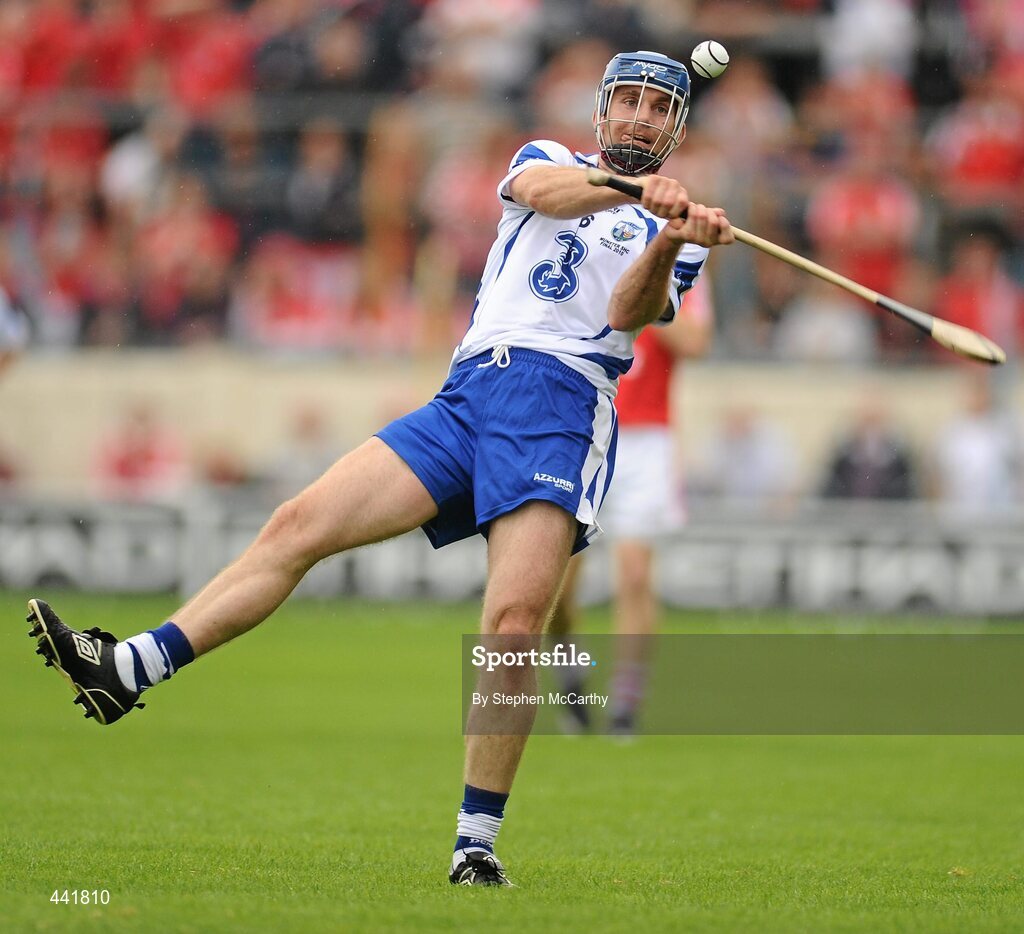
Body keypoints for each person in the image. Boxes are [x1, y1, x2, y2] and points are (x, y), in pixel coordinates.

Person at [25, 50, 733, 887]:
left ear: (675, 128)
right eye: (631, 102)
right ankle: (128, 668)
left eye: (660, 109)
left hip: (564, 407)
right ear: (603, 110)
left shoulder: (676, 233)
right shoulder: (545, 160)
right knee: (298, 525)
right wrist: (629, 192)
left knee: (510, 626)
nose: (642, 119)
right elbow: (544, 198)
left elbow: (629, 312)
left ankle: (476, 844)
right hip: (472, 391)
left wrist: (672, 237)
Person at [547, 276, 714, 735]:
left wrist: (646, 291)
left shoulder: (683, 269)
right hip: (582, 427)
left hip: (646, 440)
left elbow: (695, 341)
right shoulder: (595, 250)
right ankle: (571, 681)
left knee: (635, 574)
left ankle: (624, 705)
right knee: (556, 587)